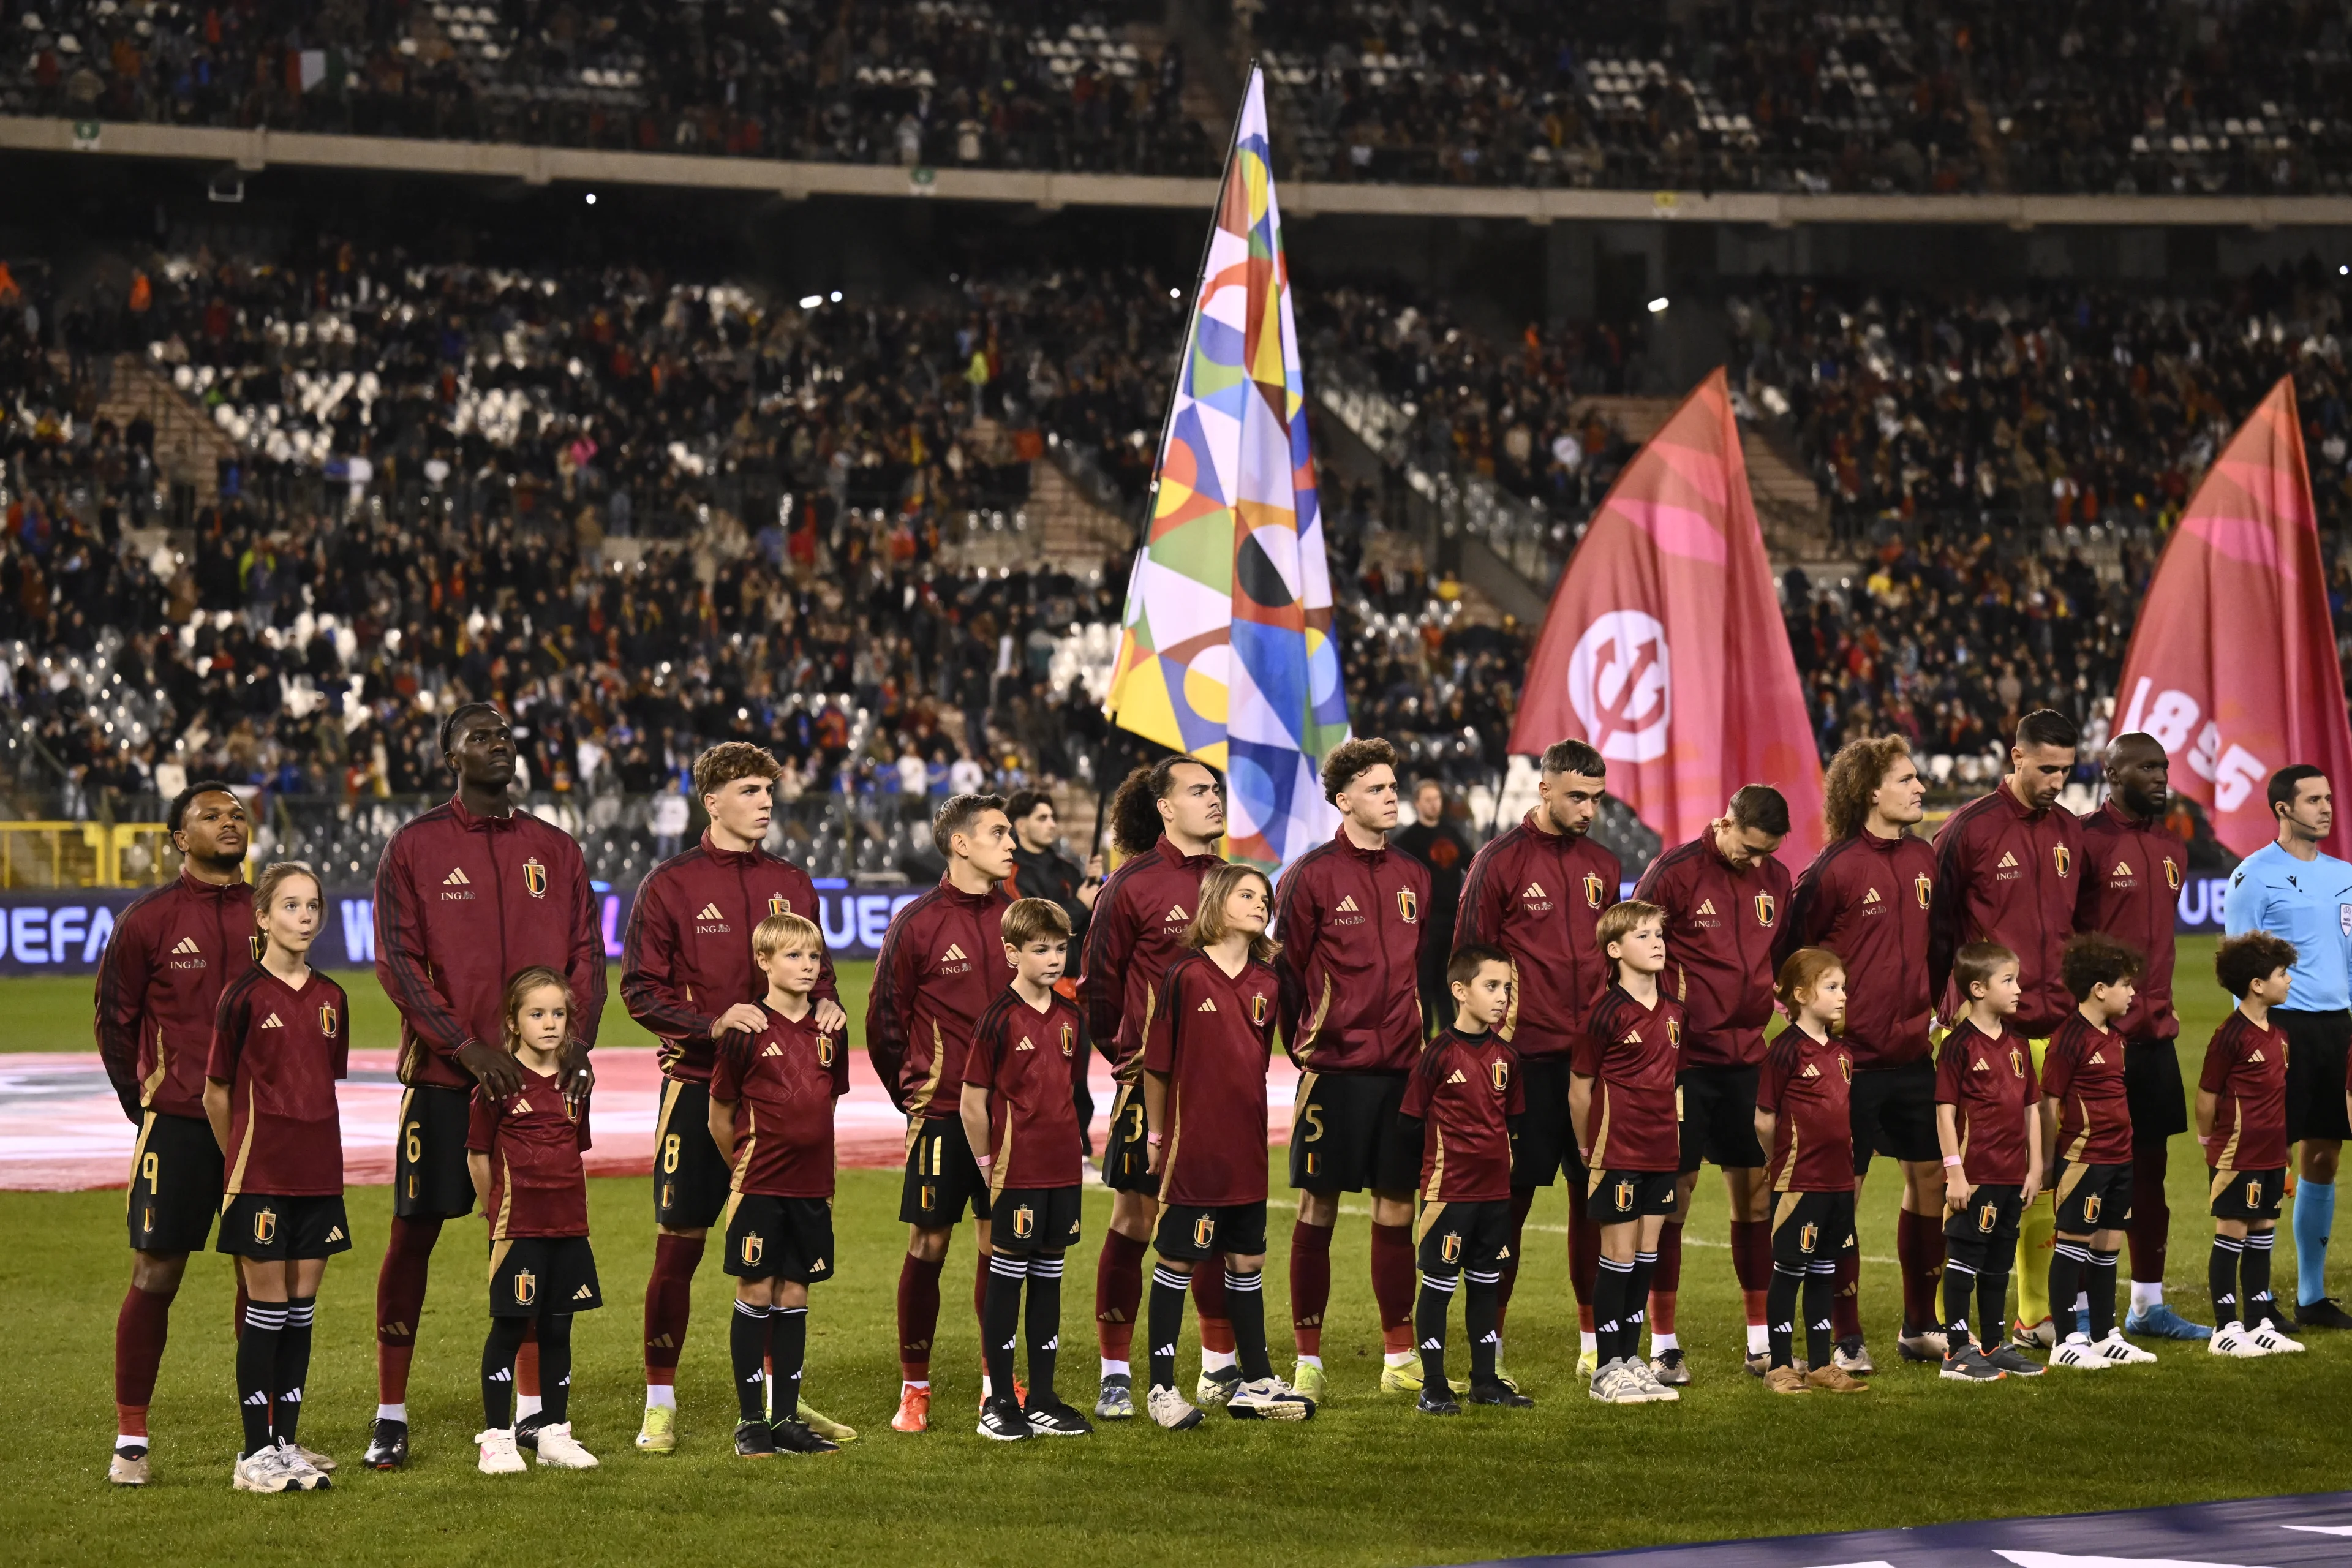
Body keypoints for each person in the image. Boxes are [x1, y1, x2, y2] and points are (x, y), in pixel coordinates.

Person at [368, 703, 605, 1469]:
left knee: (534, 1240)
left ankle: (534, 1416)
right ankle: (391, 1413)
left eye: (505, 735)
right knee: (416, 1235)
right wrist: (466, 1047)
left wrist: (571, 1046)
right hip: (445, 1080)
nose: (497, 745)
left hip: (540, 1085)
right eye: (479, 736)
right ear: (448, 755)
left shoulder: (556, 849)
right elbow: (397, 964)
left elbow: (588, 958)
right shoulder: (414, 847)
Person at [620, 742, 849, 1452]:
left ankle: (782, 1401)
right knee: (680, 1245)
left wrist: (834, 1008)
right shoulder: (670, 885)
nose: (766, 801)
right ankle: (660, 1400)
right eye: (750, 789)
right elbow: (638, 989)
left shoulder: (793, 881)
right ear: (711, 800)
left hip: (781, 1103)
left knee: (783, 1260)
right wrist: (709, 1024)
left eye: (769, 789)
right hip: (699, 1090)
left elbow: (823, 974)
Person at [97, 780, 256, 1486]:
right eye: (212, 815)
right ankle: (132, 1437)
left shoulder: (271, 910)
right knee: (156, 1273)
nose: (231, 821)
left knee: (265, 1281)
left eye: (238, 813)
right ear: (178, 837)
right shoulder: (148, 920)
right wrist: (147, 1105)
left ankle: (269, 1436)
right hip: (180, 1124)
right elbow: (114, 1021)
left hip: (263, 1128)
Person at [1272, 737, 1433, 1401]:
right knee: (1319, 1206)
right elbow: (1285, 976)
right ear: (1343, 800)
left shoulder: (1416, 875)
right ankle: (1308, 1358)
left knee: (1398, 1208)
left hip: (1403, 1069)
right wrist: (1309, 1047)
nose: (1391, 795)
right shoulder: (1309, 876)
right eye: (1376, 787)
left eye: (1394, 785)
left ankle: (1400, 1356)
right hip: (1334, 1074)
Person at [1455, 738, 1620, 1382]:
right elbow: (1467, 962)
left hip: (1592, 1068)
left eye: (1597, 798)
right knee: (1507, 1204)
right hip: (1520, 1067)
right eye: (1577, 796)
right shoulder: (1497, 863)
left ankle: (1592, 1339)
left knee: (1594, 1200)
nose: (1588, 808)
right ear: (1544, 788)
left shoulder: (1603, 864)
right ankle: (1488, 1339)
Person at [1775, 734, 1939, 1375]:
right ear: (1872, 791)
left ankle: (1920, 1324)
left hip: (1912, 1057)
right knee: (1840, 1197)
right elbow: (1790, 960)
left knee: (1930, 1183)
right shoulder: (1832, 869)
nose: (1920, 787)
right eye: (1907, 778)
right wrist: (1818, 1042)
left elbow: (1940, 944)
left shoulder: (1926, 858)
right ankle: (1845, 1335)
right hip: (1849, 1066)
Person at [1929, 709, 2086, 1355]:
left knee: (2039, 1176)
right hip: (1984, 1035)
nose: (2057, 780)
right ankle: (1948, 1321)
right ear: (2015, 757)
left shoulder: (2071, 831)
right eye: (2046, 767)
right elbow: (1933, 927)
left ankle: (2034, 1313)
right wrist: (1936, 1012)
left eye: (2067, 770)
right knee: (1976, 1177)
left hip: (2054, 1028)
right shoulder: (1968, 830)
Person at [1139, 863, 1316, 1428]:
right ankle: (1161, 1390)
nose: (1261, 904)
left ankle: (1255, 1379)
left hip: (1248, 1144)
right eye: (1247, 894)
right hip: (1195, 1148)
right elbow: (1158, 1067)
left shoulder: (1269, 979)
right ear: (1217, 902)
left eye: (1265, 896)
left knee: (1248, 1258)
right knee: (1178, 1259)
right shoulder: (1186, 976)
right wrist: (1156, 1136)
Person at [1080, 757, 1232, 1419]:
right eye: (1199, 789)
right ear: (1165, 807)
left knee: (1219, 1225)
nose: (1214, 798)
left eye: (1217, 789)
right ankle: (1116, 1372)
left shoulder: (1235, 884)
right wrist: (1133, 1060)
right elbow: (1099, 991)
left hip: (1227, 1087)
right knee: (1136, 1220)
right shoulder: (1132, 885)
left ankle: (1220, 1366)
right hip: (1155, 1084)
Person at [1630, 784, 1793, 1384]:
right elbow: (1624, 953)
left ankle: (1761, 1341)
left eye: (1767, 853)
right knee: (1673, 1202)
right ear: (1725, 822)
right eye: (1749, 848)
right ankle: (1664, 1344)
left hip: (1749, 1061)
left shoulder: (1776, 879)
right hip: (1684, 1065)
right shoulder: (1672, 874)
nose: (1756, 862)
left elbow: (1780, 958)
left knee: (1755, 1197)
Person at [867, 793, 1018, 1433]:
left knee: (998, 1243)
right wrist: (916, 1096)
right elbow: (883, 1022)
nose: (1011, 843)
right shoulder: (918, 922)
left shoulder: (1019, 915)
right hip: (941, 1114)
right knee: (928, 1243)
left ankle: (995, 1382)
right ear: (960, 843)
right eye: (998, 832)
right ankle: (915, 1388)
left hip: (1010, 1117)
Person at [205, 862, 349, 1494]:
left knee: (300, 1312)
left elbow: (322, 1084)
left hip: (321, 1176)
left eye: (313, 906)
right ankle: (252, 1452)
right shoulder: (241, 996)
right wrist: (240, 1159)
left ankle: (287, 1443)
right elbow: (217, 1093)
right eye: (290, 906)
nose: (305, 917)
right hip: (259, 1176)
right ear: (262, 917)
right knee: (265, 1310)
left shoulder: (333, 998)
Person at [2076, 732, 2209, 1340]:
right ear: (2111, 772)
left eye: (2164, 766)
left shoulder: (2172, 847)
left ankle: (2147, 1305)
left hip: (2156, 1040)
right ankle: (2077, 1304)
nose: (2161, 776)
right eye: (2146, 766)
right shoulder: (2085, 842)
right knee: (2092, 1175)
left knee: (2149, 1175)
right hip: (2100, 1044)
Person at [708, 912, 851, 1457]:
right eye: (793, 956)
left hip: (813, 1187)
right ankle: (750, 1422)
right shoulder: (747, 1031)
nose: (807, 966)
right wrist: (745, 1165)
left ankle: (786, 1418)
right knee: (755, 1291)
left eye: (813, 957)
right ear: (764, 962)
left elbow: (826, 1104)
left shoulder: (831, 1029)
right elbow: (720, 1116)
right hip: (760, 1184)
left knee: (795, 1293)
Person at [2222, 765, 2352, 1332]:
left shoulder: (2346, 875)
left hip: (2338, 1028)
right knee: (2267, 1162)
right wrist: (2252, 1041)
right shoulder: (2254, 876)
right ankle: (2256, 1297)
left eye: (2329, 798)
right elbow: (2237, 965)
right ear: (2282, 808)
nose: (2326, 808)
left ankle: (2311, 1294)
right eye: (2314, 799)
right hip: (2282, 1029)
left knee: (2323, 1156)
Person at [960, 897, 1094, 1441]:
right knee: (1006, 1281)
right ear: (1013, 953)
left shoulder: (1070, 1017)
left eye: (1061, 949)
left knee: (1049, 1281)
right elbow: (973, 1101)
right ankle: (998, 1400)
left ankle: (1042, 1396)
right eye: (1041, 950)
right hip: (1015, 1173)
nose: (1054, 959)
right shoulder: (997, 1019)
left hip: (1062, 1170)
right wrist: (988, 1164)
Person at [466, 968, 601, 1474]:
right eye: (537, 1014)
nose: (550, 1024)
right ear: (513, 1021)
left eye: (559, 1014)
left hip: (568, 1223)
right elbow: (478, 1157)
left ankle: (553, 1434)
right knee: (508, 1328)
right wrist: (496, 1212)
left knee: (559, 1329)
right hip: (517, 1225)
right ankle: (497, 1439)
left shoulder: (576, 1083)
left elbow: (575, 1149)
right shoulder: (497, 1083)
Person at [1401, 943, 1533, 1415]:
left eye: (1507, 988)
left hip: (1495, 1193)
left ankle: (1485, 1381)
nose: (1502, 997)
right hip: (1449, 1194)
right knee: (1438, 1288)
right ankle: (1433, 1385)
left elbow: (1512, 1123)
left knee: (1485, 1286)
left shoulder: (1508, 1058)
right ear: (1460, 991)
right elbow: (1410, 1122)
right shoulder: (1437, 1055)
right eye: (1492, 986)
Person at [1571, 900, 1684, 1406]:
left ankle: (1632, 1359)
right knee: (1615, 1259)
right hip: (1616, 1152)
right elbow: (1580, 1090)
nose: (1656, 942)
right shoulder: (1605, 1014)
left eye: (1658, 933)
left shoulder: (1676, 1012)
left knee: (1646, 1257)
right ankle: (1606, 1368)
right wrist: (1586, 1146)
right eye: (1642, 935)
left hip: (1662, 1153)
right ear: (1614, 950)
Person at [2040, 932, 2158, 1370]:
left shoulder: (2115, 1037)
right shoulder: (2070, 1038)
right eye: (2126, 985)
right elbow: (2049, 1102)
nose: (2132, 993)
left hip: (2119, 1157)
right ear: (2100, 989)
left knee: (2109, 1243)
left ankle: (2105, 1333)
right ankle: (2066, 1339)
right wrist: (2050, 1162)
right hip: (2084, 1158)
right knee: (2072, 1243)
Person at [1754, 948, 1869, 1396]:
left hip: (1839, 1181)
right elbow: (1765, 1119)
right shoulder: (1783, 1051)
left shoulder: (1842, 1053)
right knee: (1790, 1270)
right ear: (1800, 994)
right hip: (1799, 1181)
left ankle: (1822, 1363)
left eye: (1843, 987)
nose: (1843, 997)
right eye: (1832, 987)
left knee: (1825, 1269)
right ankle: (1780, 1365)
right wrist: (1778, 1160)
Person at [1932, 943, 2046, 1382]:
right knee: (1965, 1258)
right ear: (1978, 989)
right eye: (2009, 981)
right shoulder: (1958, 1046)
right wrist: (1955, 1171)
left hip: (2011, 1174)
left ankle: (1995, 1346)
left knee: (2000, 1261)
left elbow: (2030, 1108)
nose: (2019, 989)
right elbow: (1945, 1113)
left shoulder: (2017, 1044)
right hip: (1975, 1176)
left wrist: (2035, 1167)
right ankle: (1957, 1352)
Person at [2201, 931, 2305, 1358]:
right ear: (2257, 985)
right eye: (2283, 974)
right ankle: (2225, 1330)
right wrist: (2210, 1141)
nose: (2289, 981)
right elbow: (2207, 1096)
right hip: (2235, 1153)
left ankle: (2259, 1321)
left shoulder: (2279, 1035)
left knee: (2264, 1232)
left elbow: (2278, 1099)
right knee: (2233, 1232)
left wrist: (2284, 1156)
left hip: (2269, 1153)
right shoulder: (2230, 1035)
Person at [1003, 786, 1103, 1148]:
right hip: (1035, 992)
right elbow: (1030, 927)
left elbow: (1092, 921)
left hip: (1074, 989)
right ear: (1021, 824)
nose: (1052, 825)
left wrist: (1096, 884)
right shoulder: (1011, 872)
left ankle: (1079, 1146)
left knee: (1077, 1077)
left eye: (1053, 817)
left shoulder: (1065, 869)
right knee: (1035, 1075)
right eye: (1042, 818)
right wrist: (1078, 902)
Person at [1393, 779, 1476, 1026]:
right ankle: (1425, 1031)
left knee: (1449, 978)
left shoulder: (1452, 833)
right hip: (1424, 921)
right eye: (1428, 800)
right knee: (1425, 979)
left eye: (1437, 799)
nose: (1433, 804)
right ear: (1417, 803)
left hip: (1453, 919)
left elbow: (1472, 865)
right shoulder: (1408, 840)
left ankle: (1451, 1032)